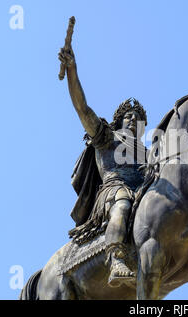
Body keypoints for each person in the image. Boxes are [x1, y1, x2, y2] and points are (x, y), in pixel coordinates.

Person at [58, 45, 147, 288]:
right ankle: (116, 258)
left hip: (144, 192)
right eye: (128, 116)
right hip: (114, 189)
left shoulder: (148, 153)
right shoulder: (106, 136)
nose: (133, 120)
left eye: (138, 119)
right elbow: (82, 109)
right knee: (122, 202)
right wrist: (72, 71)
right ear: (119, 120)